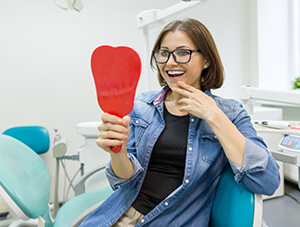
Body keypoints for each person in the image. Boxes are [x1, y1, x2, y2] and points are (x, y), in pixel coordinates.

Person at [79, 18, 280, 227]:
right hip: (118, 215)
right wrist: (117, 152)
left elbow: (268, 181)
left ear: (206, 60)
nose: (170, 62)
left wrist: (214, 115)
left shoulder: (230, 113)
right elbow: (124, 181)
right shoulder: (141, 106)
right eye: (164, 53)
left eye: (183, 52)